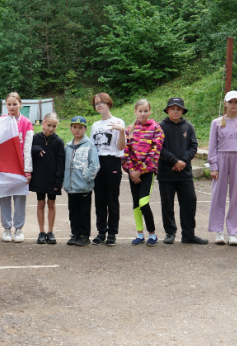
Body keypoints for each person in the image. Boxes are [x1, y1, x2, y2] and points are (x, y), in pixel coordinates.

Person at [157, 97, 208, 245]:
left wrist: (183, 162)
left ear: (182, 111)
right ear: (167, 110)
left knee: (189, 201)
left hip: (184, 173)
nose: (175, 111)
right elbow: (159, 147)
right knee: (167, 204)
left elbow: (193, 146)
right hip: (166, 173)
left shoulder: (188, 127)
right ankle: (170, 232)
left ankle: (188, 234)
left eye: (178, 109)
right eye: (173, 108)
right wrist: (174, 161)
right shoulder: (159, 126)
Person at [208, 90, 237, 246]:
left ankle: (233, 232)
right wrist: (213, 166)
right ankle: (218, 231)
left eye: (236, 102)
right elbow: (212, 145)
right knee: (218, 195)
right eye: (230, 102)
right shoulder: (216, 122)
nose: (233, 105)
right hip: (221, 158)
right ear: (225, 104)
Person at [122, 99, 164, 247]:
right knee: (136, 204)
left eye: (146, 111)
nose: (143, 113)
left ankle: (152, 234)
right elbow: (125, 152)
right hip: (132, 173)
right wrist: (131, 171)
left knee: (143, 202)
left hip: (147, 172)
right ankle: (140, 234)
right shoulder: (129, 130)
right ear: (135, 112)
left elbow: (155, 152)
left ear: (150, 111)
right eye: (140, 111)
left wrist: (140, 171)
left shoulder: (156, 128)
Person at [89, 93, 125, 246]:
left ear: (109, 103)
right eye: (97, 103)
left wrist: (122, 131)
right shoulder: (95, 125)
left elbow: (121, 147)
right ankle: (101, 232)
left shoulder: (118, 122)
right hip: (98, 162)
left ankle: (112, 233)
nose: (99, 105)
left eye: (102, 102)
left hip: (112, 161)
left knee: (112, 199)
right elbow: (92, 147)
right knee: (100, 200)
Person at [0, 92, 33, 243]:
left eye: (15, 104)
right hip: (5, 167)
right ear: (5, 105)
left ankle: (18, 229)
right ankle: (6, 228)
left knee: (19, 199)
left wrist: (28, 170)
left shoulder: (26, 123)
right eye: (9, 104)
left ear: (20, 104)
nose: (12, 107)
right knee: (4, 198)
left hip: (20, 167)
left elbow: (28, 147)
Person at [63, 116, 100, 246]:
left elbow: (94, 165)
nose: (77, 130)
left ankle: (84, 235)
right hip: (71, 186)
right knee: (73, 211)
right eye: (74, 127)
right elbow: (64, 165)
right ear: (71, 128)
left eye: (80, 128)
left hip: (84, 187)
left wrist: (86, 179)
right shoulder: (67, 146)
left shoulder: (89, 146)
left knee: (84, 212)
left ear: (85, 129)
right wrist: (65, 181)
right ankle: (75, 233)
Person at [30, 112, 64, 245]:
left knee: (51, 204)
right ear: (43, 123)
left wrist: (58, 180)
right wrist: (35, 149)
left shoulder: (58, 141)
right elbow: (27, 153)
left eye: (54, 126)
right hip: (39, 178)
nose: (51, 128)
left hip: (52, 179)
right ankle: (42, 232)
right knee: (40, 203)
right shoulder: (35, 139)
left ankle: (50, 232)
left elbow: (61, 164)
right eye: (49, 125)